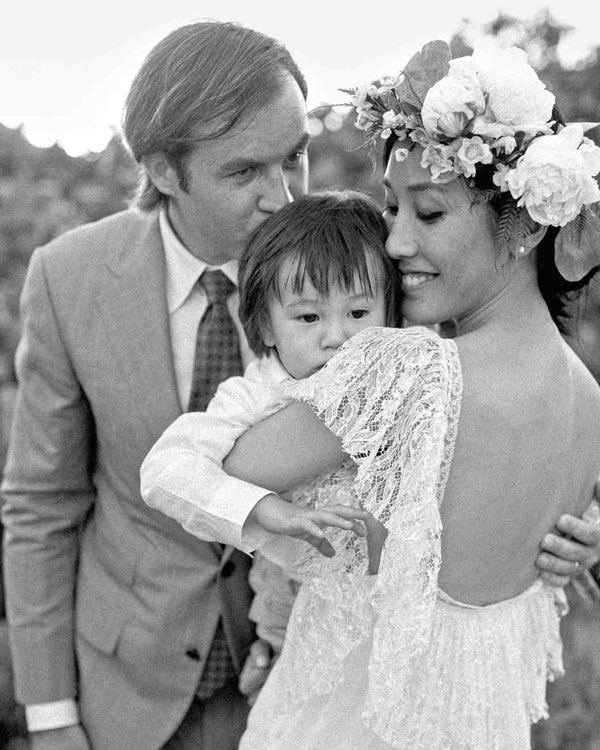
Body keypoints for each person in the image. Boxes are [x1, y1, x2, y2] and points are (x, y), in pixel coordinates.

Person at [159, 42, 600, 749]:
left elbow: (224, 471)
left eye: (428, 214)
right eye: (392, 208)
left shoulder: (404, 374)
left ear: (524, 226)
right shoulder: (589, 399)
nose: (392, 243)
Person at [0, 20, 310, 750]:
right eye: (245, 172)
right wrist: (51, 715)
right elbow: (43, 505)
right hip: (126, 694)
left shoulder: (355, 262)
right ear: (165, 170)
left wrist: (557, 529)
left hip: (303, 685)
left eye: (295, 158)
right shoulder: (67, 278)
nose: (283, 197)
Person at [140, 190, 397, 664]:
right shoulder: (255, 394)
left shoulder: (410, 375)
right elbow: (164, 470)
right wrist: (261, 507)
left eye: (359, 313)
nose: (337, 337)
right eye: (308, 317)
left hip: (399, 611)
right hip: (297, 611)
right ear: (264, 327)